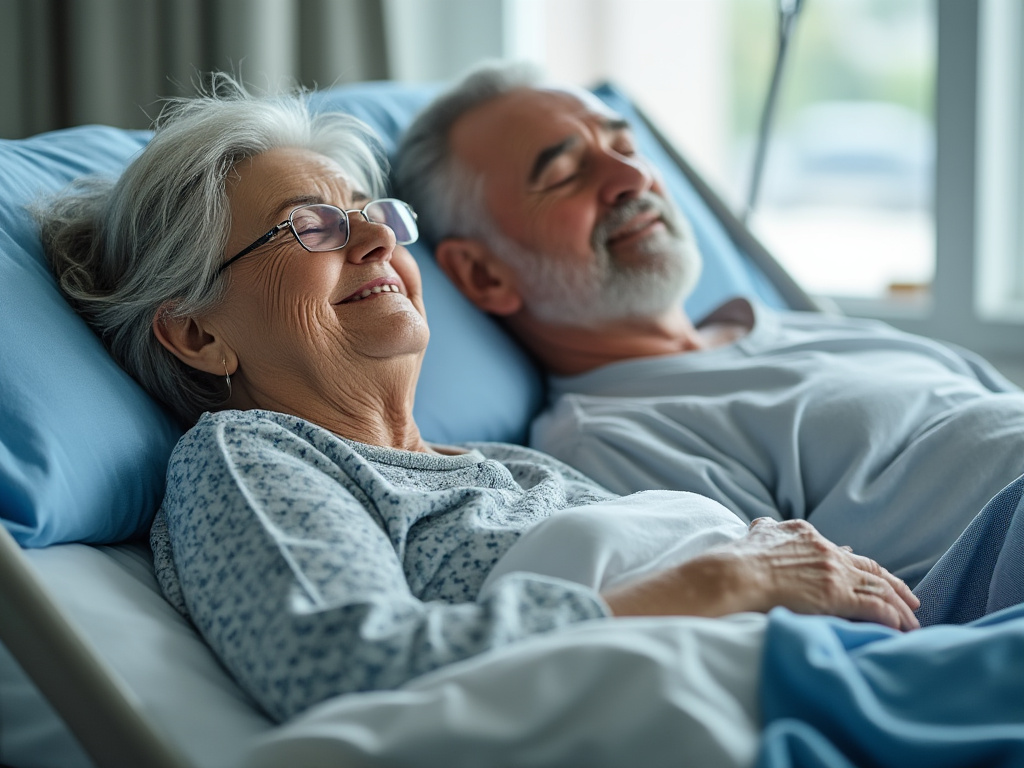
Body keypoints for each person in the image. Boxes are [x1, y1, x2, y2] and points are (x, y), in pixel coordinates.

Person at [35, 75, 921, 725]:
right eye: (312, 225)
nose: (381, 234)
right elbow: (345, 669)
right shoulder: (249, 455)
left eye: (374, 210)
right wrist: (728, 578)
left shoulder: (510, 466)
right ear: (196, 334)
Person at [395, 60, 1024, 588]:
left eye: (625, 146)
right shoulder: (613, 442)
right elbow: (790, 612)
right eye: (564, 175)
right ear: (484, 276)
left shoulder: (795, 327)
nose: (632, 177)